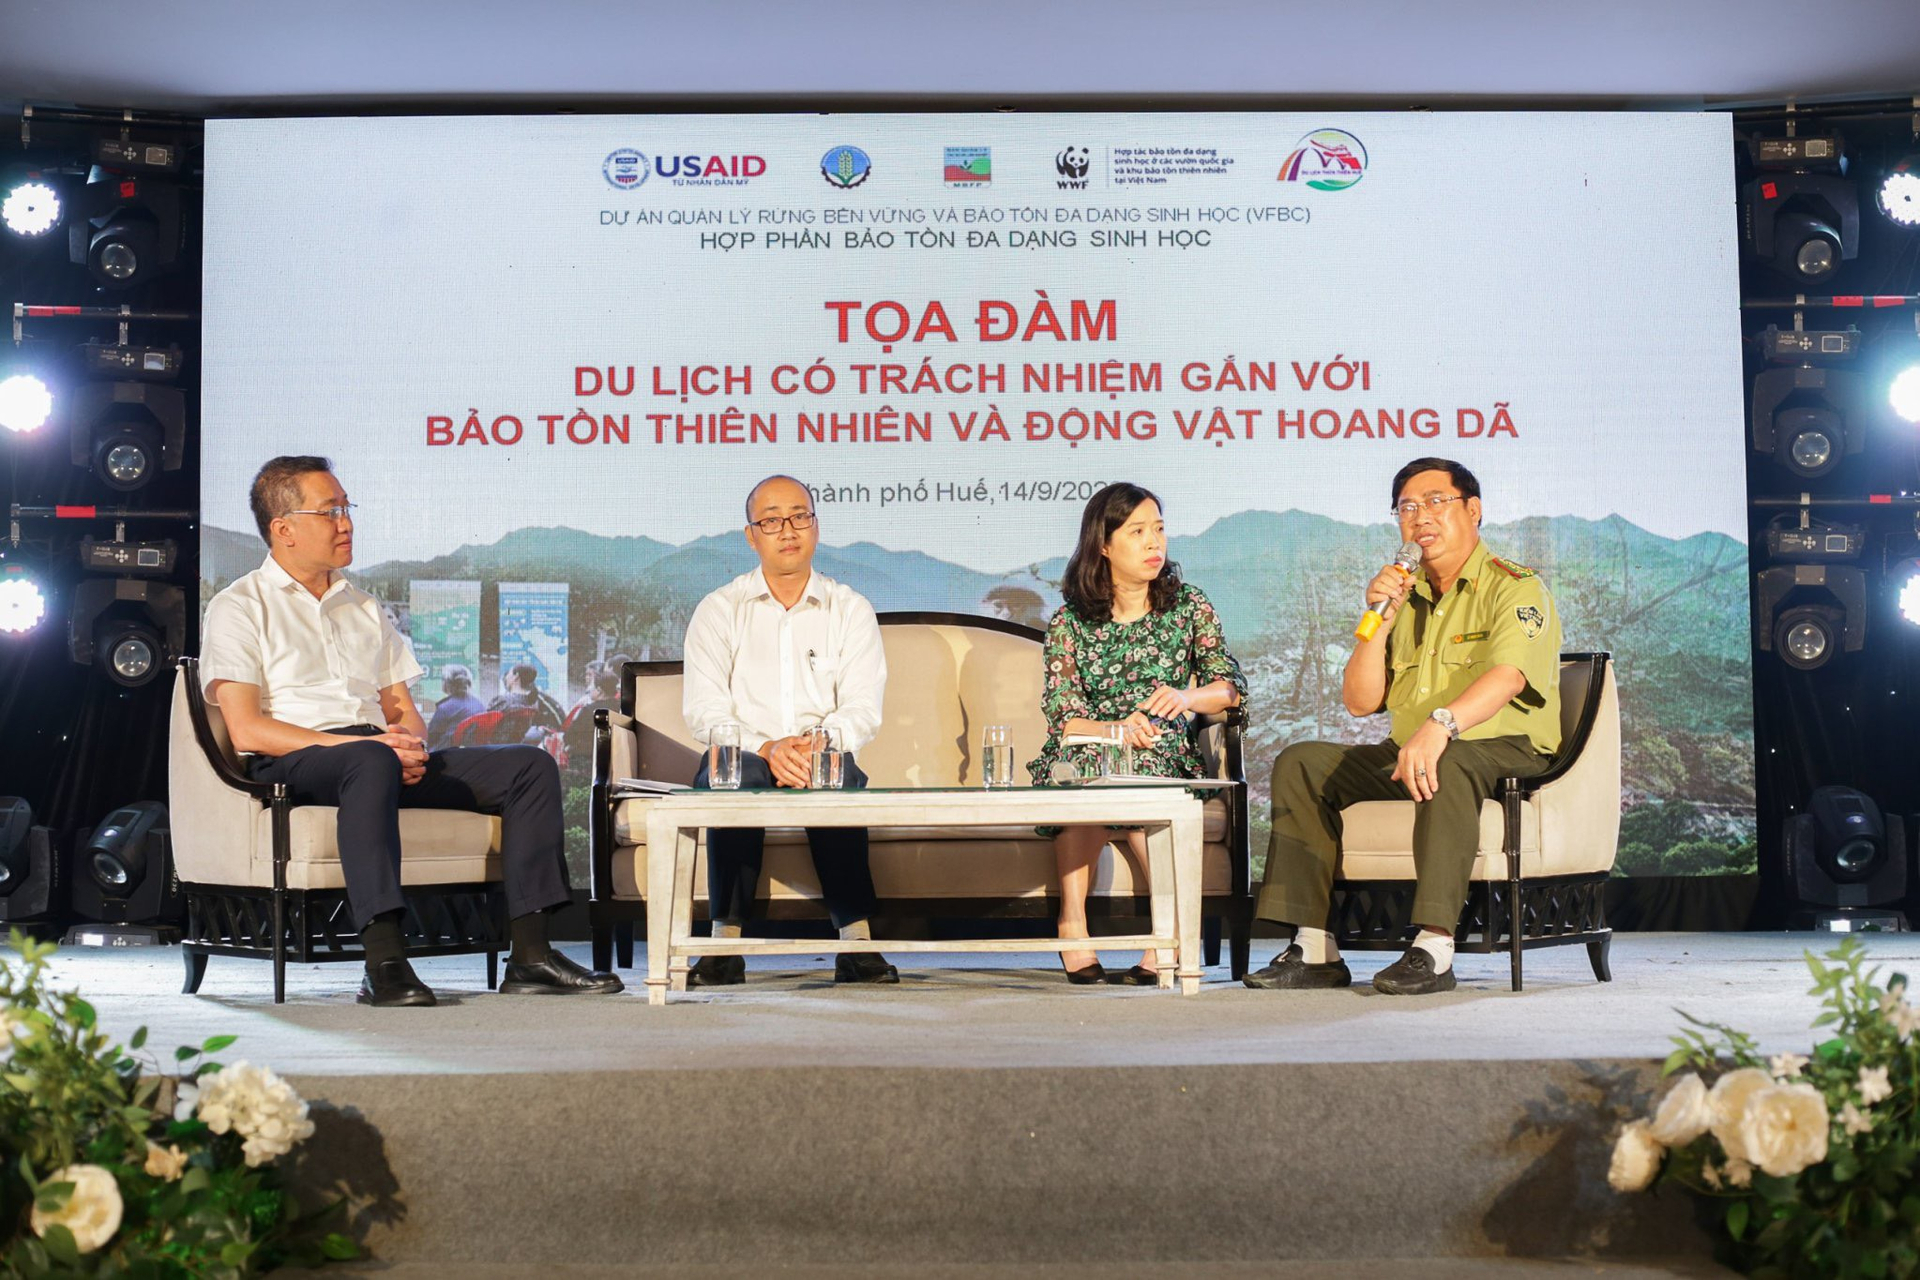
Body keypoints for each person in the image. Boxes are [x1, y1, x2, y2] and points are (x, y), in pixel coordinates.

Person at [200, 456, 623, 1007]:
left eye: (347, 508)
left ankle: (531, 954)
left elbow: (401, 708)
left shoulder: (364, 606)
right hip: (296, 758)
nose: (346, 522)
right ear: (283, 529)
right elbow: (246, 728)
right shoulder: (239, 606)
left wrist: (407, 744)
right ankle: (384, 962)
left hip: (376, 754)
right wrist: (371, 747)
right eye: (331, 511)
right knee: (369, 762)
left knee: (528, 766)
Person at [1245, 457, 1562, 996]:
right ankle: (1316, 946)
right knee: (1302, 762)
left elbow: (1509, 676)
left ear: (1474, 510)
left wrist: (1443, 724)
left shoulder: (1515, 588)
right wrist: (1378, 623)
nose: (1421, 518)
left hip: (1507, 746)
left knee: (1448, 756)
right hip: (1412, 747)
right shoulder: (1404, 597)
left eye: (1436, 502)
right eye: (1408, 508)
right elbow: (1359, 700)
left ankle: (1434, 948)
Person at [679, 474, 897, 985]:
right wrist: (766, 746)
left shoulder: (850, 608)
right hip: (746, 749)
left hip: (820, 751)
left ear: (816, 527)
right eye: (771, 520)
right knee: (728, 779)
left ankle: (857, 944)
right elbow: (704, 709)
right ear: (751, 536)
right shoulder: (719, 609)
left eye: (800, 516)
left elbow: (863, 706)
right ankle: (722, 946)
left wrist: (815, 744)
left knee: (836, 776)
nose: (788, 529)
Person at [1026, 483, 1248, 984]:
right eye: (1139, 532)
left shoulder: (1188, 606)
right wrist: (1115, 730)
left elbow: (1229, 687)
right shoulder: (1070, 622)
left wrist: (1186, 698)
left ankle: (1166, 930)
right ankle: (1073, 924)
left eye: (1160, 530)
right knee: (1086, 773)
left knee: (1142, 774)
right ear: (1103, 544)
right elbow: (1064, 717)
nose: (1155, 544)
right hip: (1093, 746)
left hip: (1160, 749)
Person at [490, 662, 566, 738]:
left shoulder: (502, 701)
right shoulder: (535, 703)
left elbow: (487, 721)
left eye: (508, 673)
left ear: (516, 677)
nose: (505, 677)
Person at [425, 664, 486, 750]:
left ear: (447, 683)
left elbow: (430, 738)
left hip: (447, 755)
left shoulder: (445, 708)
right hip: (474, 752)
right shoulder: (479, 704)